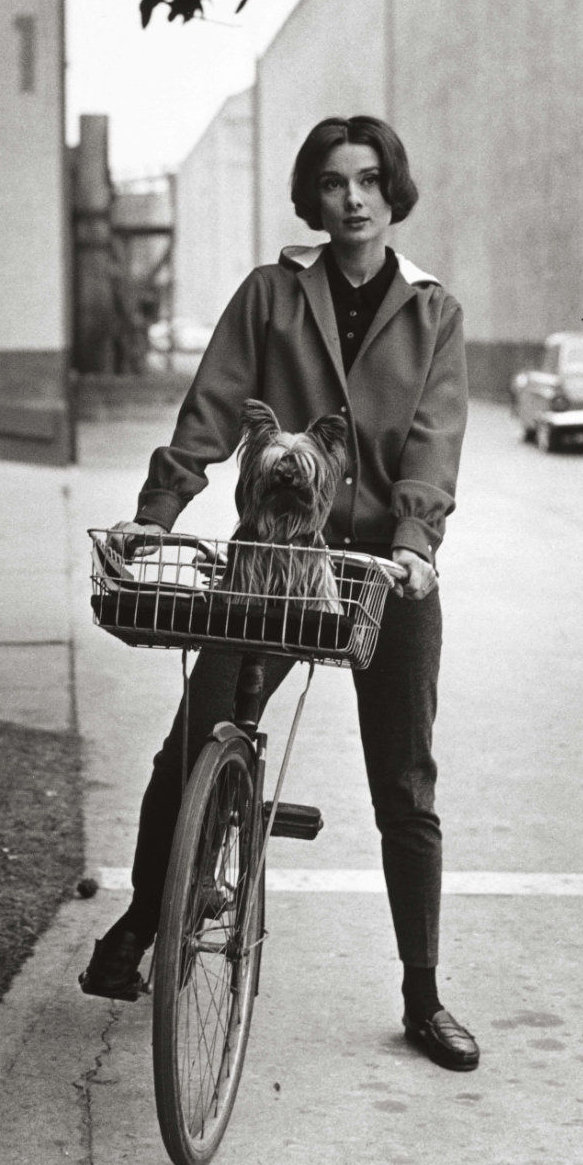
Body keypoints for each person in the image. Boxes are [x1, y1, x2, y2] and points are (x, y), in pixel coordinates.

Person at [80, 115, 478, 1071]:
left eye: (370, 179)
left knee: (405, 784)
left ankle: (422, 995)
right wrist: (160, 510)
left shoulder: (432, 313)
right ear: (313, 195)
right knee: (193, 745)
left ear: (393, 192)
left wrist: (417, 543)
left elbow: (433, 440)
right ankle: (144, 919)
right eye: (334, 181)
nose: (352, 198)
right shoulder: (271, 294)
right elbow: (212, 405)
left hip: (380, 572)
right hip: (268, 561)